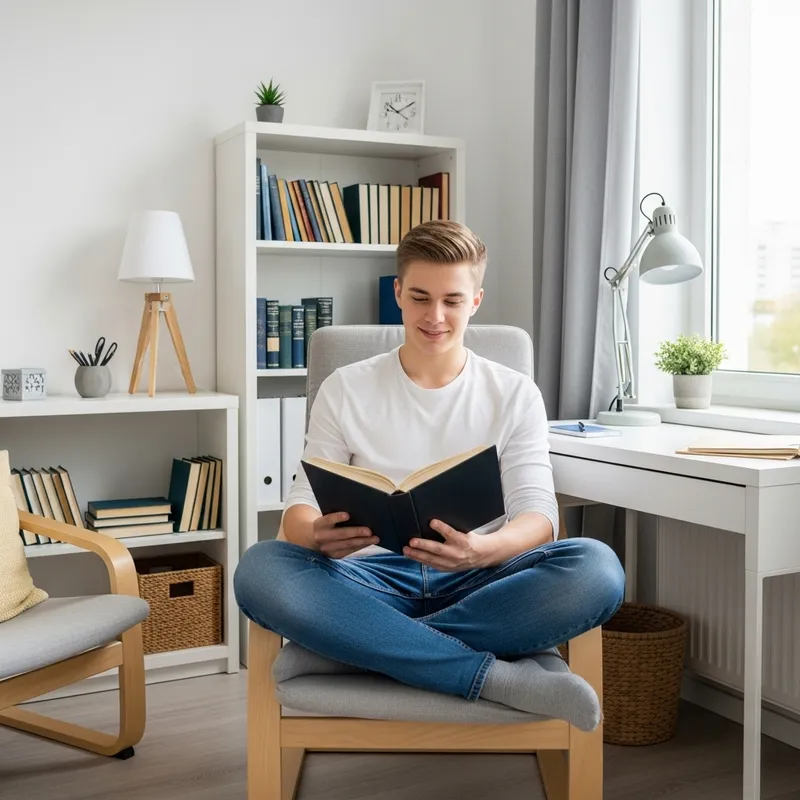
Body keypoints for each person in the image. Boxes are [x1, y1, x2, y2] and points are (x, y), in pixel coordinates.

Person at [234, 220, 625, 731]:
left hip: (480, 581)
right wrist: (316, 534)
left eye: (452, 301)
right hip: (367, 578)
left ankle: (357, 646)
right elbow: (300, 506)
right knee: (262, 568)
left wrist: (483, 550)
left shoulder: (514, 392)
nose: (435, 316)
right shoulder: (345, 387)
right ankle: (491, 677)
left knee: (596, 568)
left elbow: (539, 518)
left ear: (476, 300)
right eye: (420, 297)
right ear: (397, 292)